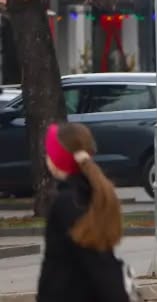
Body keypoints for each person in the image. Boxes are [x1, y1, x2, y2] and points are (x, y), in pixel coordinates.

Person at [37, 122, 132, 302]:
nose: (46, 156)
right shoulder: (93, 195)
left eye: (49, 151)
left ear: (58, 158)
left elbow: (96, 262)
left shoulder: (68, 203)